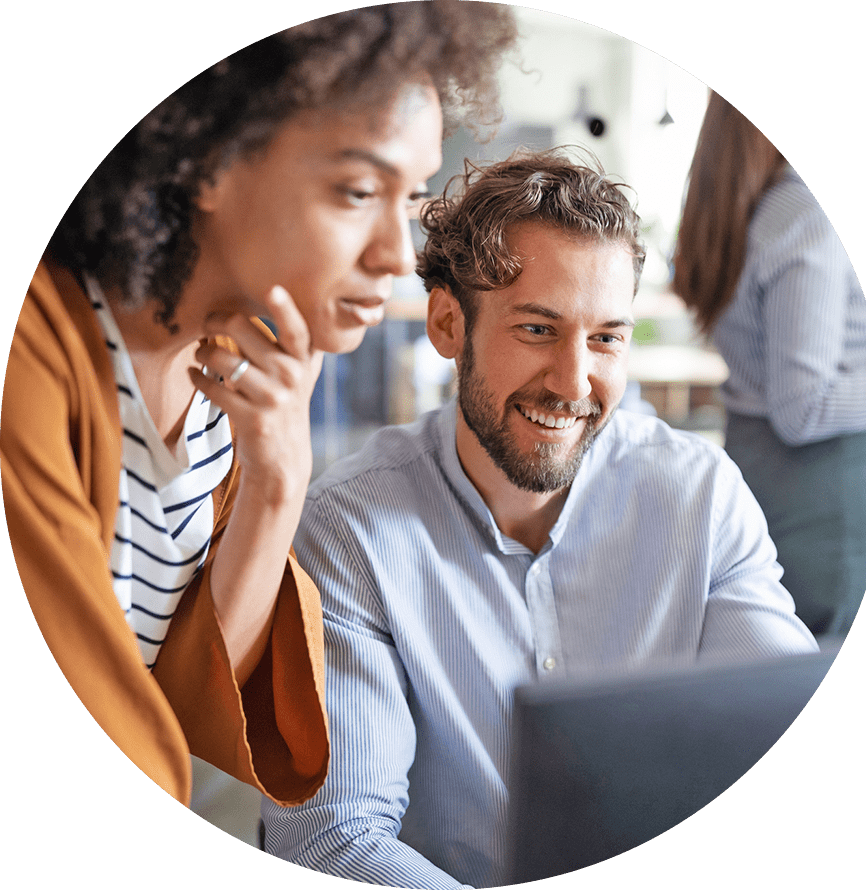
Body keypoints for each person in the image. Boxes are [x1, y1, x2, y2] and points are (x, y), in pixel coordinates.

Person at [0, 2, 518, 808]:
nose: (397, 254)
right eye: (355, 191)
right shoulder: (36, 348)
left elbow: (184, 710)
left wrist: (279, 484)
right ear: (207, 160)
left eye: (409, 196)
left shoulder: (233, 367)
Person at [260, 149, 819, 889]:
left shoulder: (702, 498)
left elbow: (782, 750)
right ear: (448, 323)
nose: (573, 381)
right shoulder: (351, 528)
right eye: (537, 329)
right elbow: (334, 840)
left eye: (606, 337)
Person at [672, 92, 866, 637]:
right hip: (818, 495)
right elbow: (803, 408)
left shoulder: (749, 210)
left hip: (755, 468)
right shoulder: (805, 216)